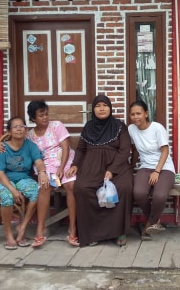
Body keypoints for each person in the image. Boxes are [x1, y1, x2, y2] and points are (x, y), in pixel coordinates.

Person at [65, 94, 134, 247]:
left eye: (105, 105)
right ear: (93, 109)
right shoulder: (88, 127)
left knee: (124, 187)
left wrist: (112, 170)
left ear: (110, 108)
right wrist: (75, 165)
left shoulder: (119, 126)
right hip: (91, 167)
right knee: (82, 188)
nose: (101, 109)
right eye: (98, 106)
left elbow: (124, 150)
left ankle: (119, 232)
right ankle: (93, 233)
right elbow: (81, 149)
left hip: (117, 167)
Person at [0, 116, 49, 250]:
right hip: (0, 181)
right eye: (16, 127)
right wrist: (13, 190)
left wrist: (42, 172)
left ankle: (22, 228)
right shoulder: (2, 148)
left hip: (21, 178)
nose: (20, 129)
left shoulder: (30, 146)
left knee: (37, 191)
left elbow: (38, 161)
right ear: (9, 132)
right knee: (7, 197)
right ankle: (8, 234)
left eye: (22, 126)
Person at [27, 100, 79, 247]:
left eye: (46, 114)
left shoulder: (56, 126)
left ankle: (72, 228)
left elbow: (66, 147)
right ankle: (40, 230)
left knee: (71, 186)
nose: (45, 117)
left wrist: (61, 168)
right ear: (33, 119)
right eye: (41, 115)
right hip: (48, 168)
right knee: (45, 187)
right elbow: (13, 135)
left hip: (65, 163)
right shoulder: (30, 135)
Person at [128, 100, 175, 240]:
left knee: (159, 196)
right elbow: (135, 149)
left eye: (139, 113)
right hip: (145, 166)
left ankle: (149, 223)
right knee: (139, 193)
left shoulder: (157, 128)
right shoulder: (131, 129)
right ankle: (155, 221)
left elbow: (165, 151)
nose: (136, 117)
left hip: (164, 167)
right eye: (132, 114)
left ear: (146, 114)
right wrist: (131, 167)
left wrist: (157, 171)